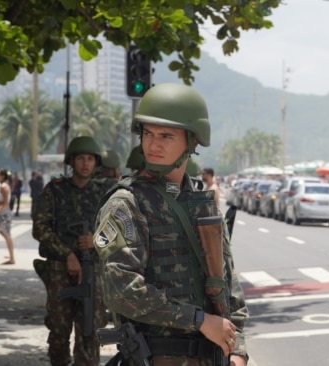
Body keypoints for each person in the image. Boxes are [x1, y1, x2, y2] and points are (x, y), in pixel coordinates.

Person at [93, 83, 249, 366]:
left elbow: (228, 281)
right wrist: (198, 320)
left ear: (193, 141)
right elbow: (120, 288)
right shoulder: (127, 203)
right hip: (157, 357)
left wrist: (237, 349)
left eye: (166, 135)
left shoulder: (201, 203)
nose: (153, 144)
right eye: (148, 133)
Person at [32, 136, 109, 365]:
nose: (86, 163)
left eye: (90, 159)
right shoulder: (54, 191)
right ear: (71, 161)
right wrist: (68, 255)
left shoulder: (106, 193)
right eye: (81, 158)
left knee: (90, 332)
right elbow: (40, 228)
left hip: (92, 271)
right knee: (58, 331)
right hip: (59, 271)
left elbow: (121, 228)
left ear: (96, 163)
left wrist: (97, 240)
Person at [0, 169, 15, 264]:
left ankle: (12, 258)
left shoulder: (4, 186)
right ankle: (11, 257)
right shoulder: (0, 186)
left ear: (3, 176)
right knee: (6, 235)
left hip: (2, 215)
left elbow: (5, 203)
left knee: (7, 235)